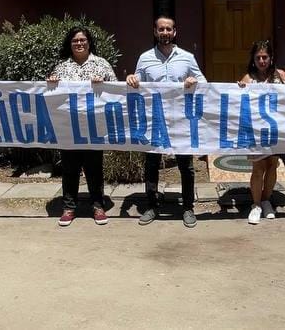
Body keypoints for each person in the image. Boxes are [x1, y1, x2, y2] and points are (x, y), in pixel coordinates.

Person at [126, 15, 206, 227]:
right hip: (154, 121)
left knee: (186, 166)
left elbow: (204, 82)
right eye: (161, 29)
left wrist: (194, 80)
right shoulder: (145, 58)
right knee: (151, 163)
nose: (165, 33)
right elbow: (137, 82)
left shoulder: (187, 57)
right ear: (155, 32)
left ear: (175, 32)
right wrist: (131, 79)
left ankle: (188, 207)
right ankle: (151, 206)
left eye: (168, 29)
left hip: (181, 120)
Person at [47, 26, 117, 227]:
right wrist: (51, 83)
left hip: (94, 127)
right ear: (70, 44)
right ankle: (69, 207)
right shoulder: (61, 68)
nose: (79, 43)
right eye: (75, 41)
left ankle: (98, 206)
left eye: (83, 40)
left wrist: (103, 84)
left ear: (89, 42)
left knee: (94, 167)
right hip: (69, 128)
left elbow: (116, 91)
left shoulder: (101, 64)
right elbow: (52, 96)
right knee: (70, 168)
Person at [238, 40, 285, 225]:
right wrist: (237, 90)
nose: (262, 61)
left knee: (272, 165)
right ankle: (255, 205)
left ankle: (266, 201)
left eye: (265, 57)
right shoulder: (248, 78)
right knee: (258, 167)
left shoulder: (281, 75)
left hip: (277, 129)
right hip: (256, 131)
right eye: (258, 58)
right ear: (253, 60)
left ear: (271, 58)